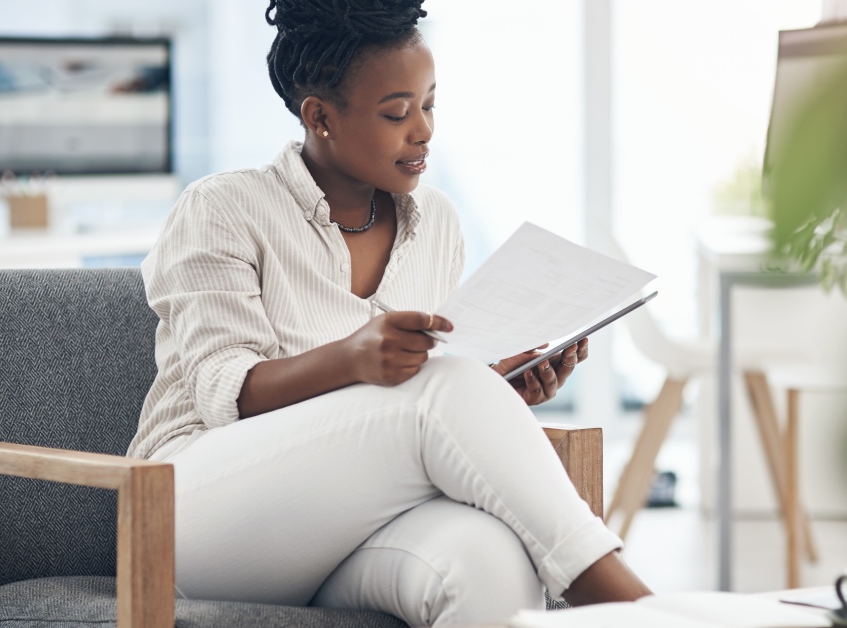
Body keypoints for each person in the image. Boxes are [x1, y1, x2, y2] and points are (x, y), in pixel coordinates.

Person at [125, 1, 652, 625]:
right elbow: (225, 392)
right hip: (190, 515)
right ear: (320, 117)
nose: (423, 130)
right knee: (446, 389)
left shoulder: (438, 224)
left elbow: (414, 400)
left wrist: (501, 382)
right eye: (397, 113)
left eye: (429, 105)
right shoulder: (224, 208)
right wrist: (355, 359)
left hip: (345, 521)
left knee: (488, 562)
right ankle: (641, 609)